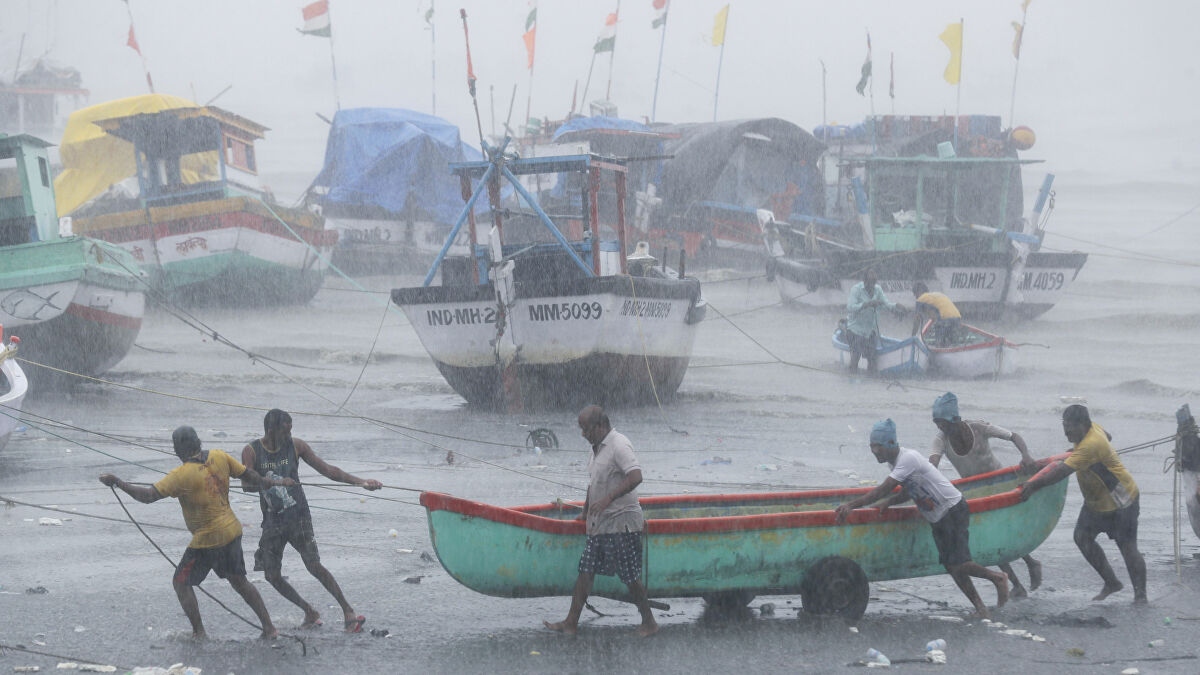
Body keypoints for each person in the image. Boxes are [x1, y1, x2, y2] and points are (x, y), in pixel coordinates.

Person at [99, 426, 287, 640]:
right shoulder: (219, 456)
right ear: (198, 442)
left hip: (208, 539)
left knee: (181, 582)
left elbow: (148, 496)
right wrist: (270, 482)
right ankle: (269, 628)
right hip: (233, 530)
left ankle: (199, 632)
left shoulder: (181, 475)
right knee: (240, 581)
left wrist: (118, 483)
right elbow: (248, 474)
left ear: (178, 449)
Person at [835, 419, 1009, 618]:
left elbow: (884, 488)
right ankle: (981, 608)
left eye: (878, 446)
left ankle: (997, 578)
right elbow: (911, 489)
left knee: (960, 563)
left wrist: (851, 505)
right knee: (952, 567)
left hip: (952, 509)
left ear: (891, 444)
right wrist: (890, 502)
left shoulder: (908, 459)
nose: (875, 451)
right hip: (938, 517)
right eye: (872, 446)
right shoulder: (895, 463)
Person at [242, 409, 383, 633]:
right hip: (272, 521)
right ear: (272, 430)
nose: (289, 435)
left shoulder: (297, 446)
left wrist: (362, 482)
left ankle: (348, 610)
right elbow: (246, 485)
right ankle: (309, 611)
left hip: (298, 517)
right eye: (285, 431)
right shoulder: (251, 451)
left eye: (291, 430)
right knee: (271, 575)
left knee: (313, 565)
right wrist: (272, 482)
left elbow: (329, 471)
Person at [544, 405, 658, 637]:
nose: (583, 434)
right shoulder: (595, 449)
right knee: (585, 571)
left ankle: (649, 622)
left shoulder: (619, 445)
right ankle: (571, 622)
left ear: (601, 426)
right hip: (600, 523)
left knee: (629, 576)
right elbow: (593, 484)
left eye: (586, 429)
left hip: (621, 522)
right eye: (581, 429)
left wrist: (608, 499)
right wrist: (586, 512)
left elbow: (636, 476)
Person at [1019, 404, 1147, 603]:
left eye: (1071, 427)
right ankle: (1112, 582)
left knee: (1127, 547)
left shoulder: (1091, 444)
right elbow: (1109, 436)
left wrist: (1033, 485)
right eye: (1064, 425)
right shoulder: (1093, 430)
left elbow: (1061, 472)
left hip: (1122, 500)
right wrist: (1080, 453)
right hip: (1096, 502)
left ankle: (1141, 597)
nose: (1066, 431)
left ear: (1084, 425)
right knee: (1082, 537)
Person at [928, 392, 1042, 598]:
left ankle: (1031, 563)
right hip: (975, 492)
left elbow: (1013, 436)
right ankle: (1016, 584)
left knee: (1008, 530)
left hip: (1001, 485)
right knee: (992, 538)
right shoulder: (941, 440)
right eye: (937, 424)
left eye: (943, 424)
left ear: (955, 419)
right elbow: (932, 463)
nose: (941, 429)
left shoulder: (979, 427)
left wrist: (1025, 455)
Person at [844, 268, 904, 374]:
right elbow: (850, 307)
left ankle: (871, 383)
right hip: (855, 330)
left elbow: (885, 303)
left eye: (874, 283)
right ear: (865, 281)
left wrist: (895, 306)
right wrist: (866, 304)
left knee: (872, 361)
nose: (872, 286)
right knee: (855, 357)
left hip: (870, 331)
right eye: (870, 283)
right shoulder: (856, 289)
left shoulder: (878, 289)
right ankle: (851, 380)